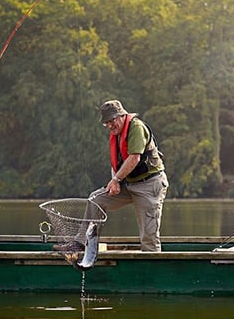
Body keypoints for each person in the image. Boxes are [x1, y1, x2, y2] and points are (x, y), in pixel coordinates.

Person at [54, 99, 169, 252]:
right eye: (106, 123)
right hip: (128, 183)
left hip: (150, 185)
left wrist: (116, 180)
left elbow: (134, 158)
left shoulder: (136, 127)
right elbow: (117, 163)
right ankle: (81, 244)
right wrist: (115, 182)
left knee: (149, 236)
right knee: (95, 200)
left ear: (122, 116)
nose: (109, 125)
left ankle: (152, 269)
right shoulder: (116, 133)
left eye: (111, 120)